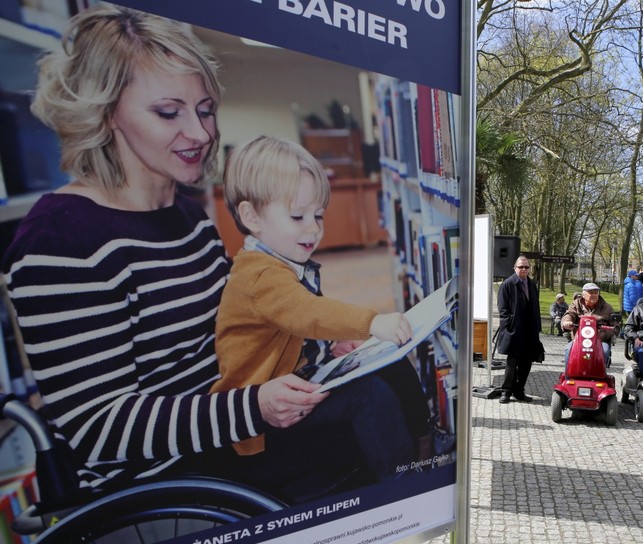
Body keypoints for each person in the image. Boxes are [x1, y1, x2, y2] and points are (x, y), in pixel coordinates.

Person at [1, 6, 413, 499]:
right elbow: (99, 427)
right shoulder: (59, 240)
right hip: (166, 473)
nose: (200, 134)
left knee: (386, 361)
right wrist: (253, 407)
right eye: (169, 112)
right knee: (369, 410)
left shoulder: (188, 214)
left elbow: (238, 327)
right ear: (106, 113)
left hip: (229, 423)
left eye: (205, 109)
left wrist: (319, 347)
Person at [212, 136, 427, 478]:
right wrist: (370, 322)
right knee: (367, 396)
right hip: (263, 424)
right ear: (252, 216)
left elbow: (292, 325)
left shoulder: (279, 263)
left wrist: (330, 345)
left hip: (296, 382)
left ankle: (422, 448)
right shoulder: (259, 275)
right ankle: (401, 479)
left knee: (389, 363)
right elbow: (307, 312)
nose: (312, 228)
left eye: (318, 216)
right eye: (297, 216)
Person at [496, 256, 541, 403]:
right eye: (521, 267)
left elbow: (536, 307)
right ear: (515, 268)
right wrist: (509, 324)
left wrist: (537, 326)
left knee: (526, 363)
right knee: (512, 362)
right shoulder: (508, 284)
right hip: (514, 330)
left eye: (526, 267)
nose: (524, 269)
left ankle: (519, 391)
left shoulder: (532, 283)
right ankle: (506, 391)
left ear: (530, 269)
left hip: (529, 331)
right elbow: (503, 309)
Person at [561, 283, 615, 367]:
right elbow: (569, 314)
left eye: (596, 292)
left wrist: (604, 333)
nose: (594, 295)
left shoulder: (607, 307)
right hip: (579, 340)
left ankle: (601, 374)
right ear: (583, 294)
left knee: (604, 351)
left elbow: (616, 326)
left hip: (600, 340)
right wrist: (567, 321)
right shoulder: (576, 304)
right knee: (569, 349)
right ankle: (569, 374)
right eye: (591, 292)